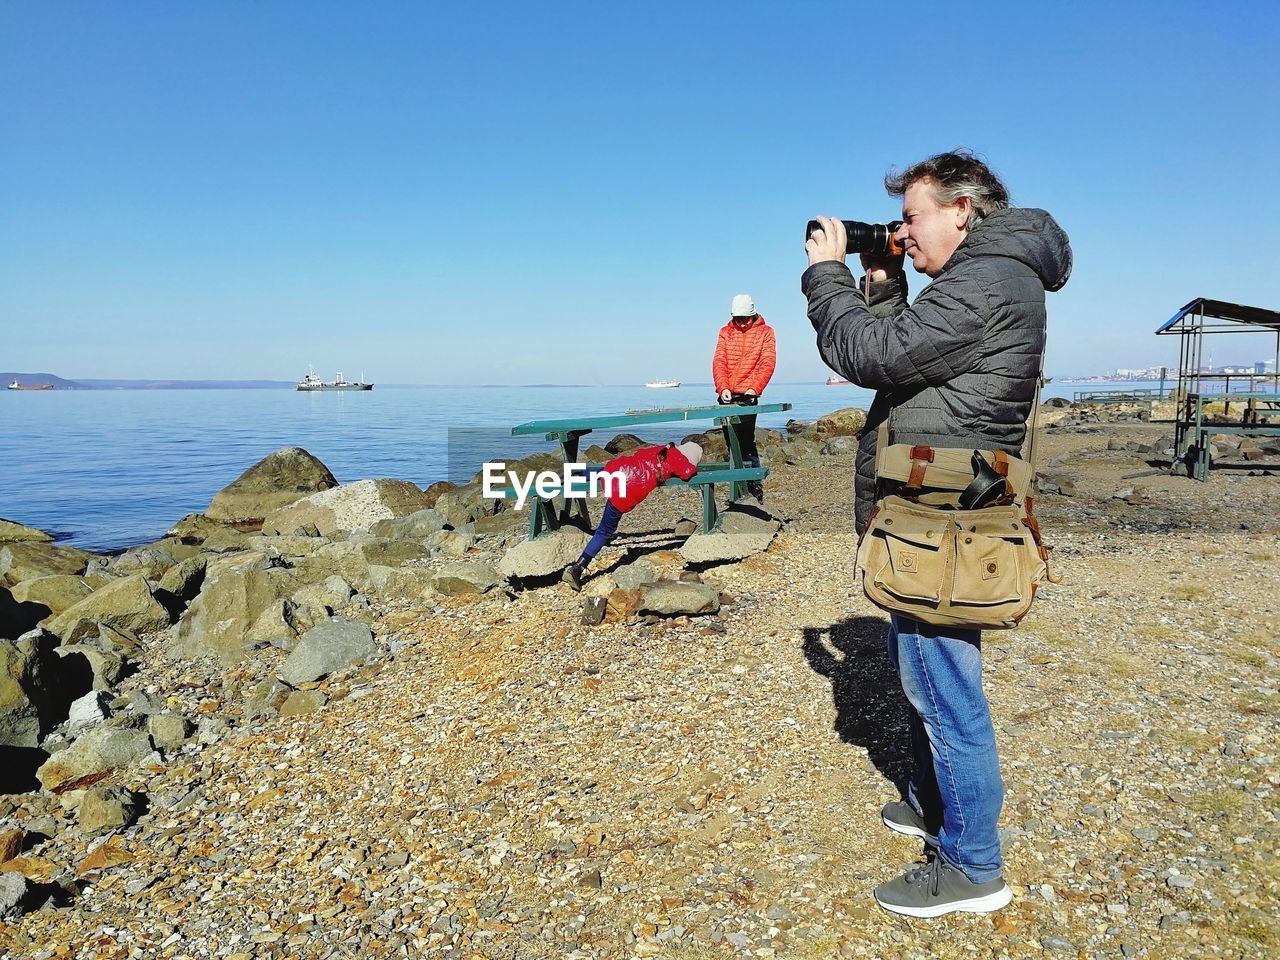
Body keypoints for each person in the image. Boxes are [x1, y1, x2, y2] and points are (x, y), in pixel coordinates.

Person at [801, 150, 1072, 918]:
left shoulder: (988, 280)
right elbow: (910, 368)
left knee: (945, 693)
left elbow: (867, 354)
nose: (904, 232)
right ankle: (931, 805)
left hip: (942, 524)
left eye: (912, 217)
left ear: (963, 209)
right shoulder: (985, 277)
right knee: (928, 680)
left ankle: (971, 868)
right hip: (934, 514)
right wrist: (883, 281)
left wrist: (827, 275)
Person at [562, 441, 702, 589]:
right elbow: (687, 473)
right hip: (625, 490)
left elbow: (640, 453)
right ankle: (577, 569)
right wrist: (693, 467)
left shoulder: (663, 450)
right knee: (605, 531)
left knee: (602, 472)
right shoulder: (682, 463)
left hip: (620, 470)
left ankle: (567, 478)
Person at [712, 294, 776, 502]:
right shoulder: (725, 332)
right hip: (727, 395)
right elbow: (719, 361)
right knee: (732, 443)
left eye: (744, 319)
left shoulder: (766, 332)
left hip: (749, 395)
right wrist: (722, 388)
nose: (741, 323)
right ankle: (737, 489)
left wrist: (754, 388)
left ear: (753, 314)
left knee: (747, 443)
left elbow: (767, 362)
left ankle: (754, 487)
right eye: (737, 318)